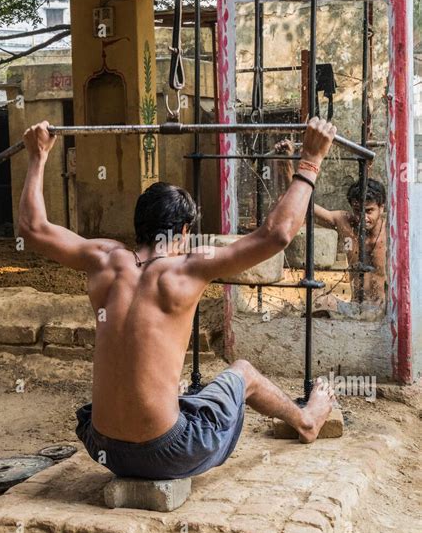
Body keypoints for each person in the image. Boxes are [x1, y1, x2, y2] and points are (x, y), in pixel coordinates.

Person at [18, 118, 337, 481]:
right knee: (243, 373)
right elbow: (277, 235)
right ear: (183, 232)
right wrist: (310, 159)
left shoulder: (103, 259)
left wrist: (38, 156)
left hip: (104, 449)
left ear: (139, 225)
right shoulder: (188, 268)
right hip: (167, 452)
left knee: (176, 394)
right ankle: (307, 421)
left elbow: (33, 229)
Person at [276, 140, 386, 305]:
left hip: (384, 312)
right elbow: (303, 204)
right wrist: (287, 164)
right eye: (358, 211)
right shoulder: (344, 221)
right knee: (318, 301)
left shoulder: (393, 232)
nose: (362, 217)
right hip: (356, 308)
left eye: (369, 211)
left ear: (381, 208)